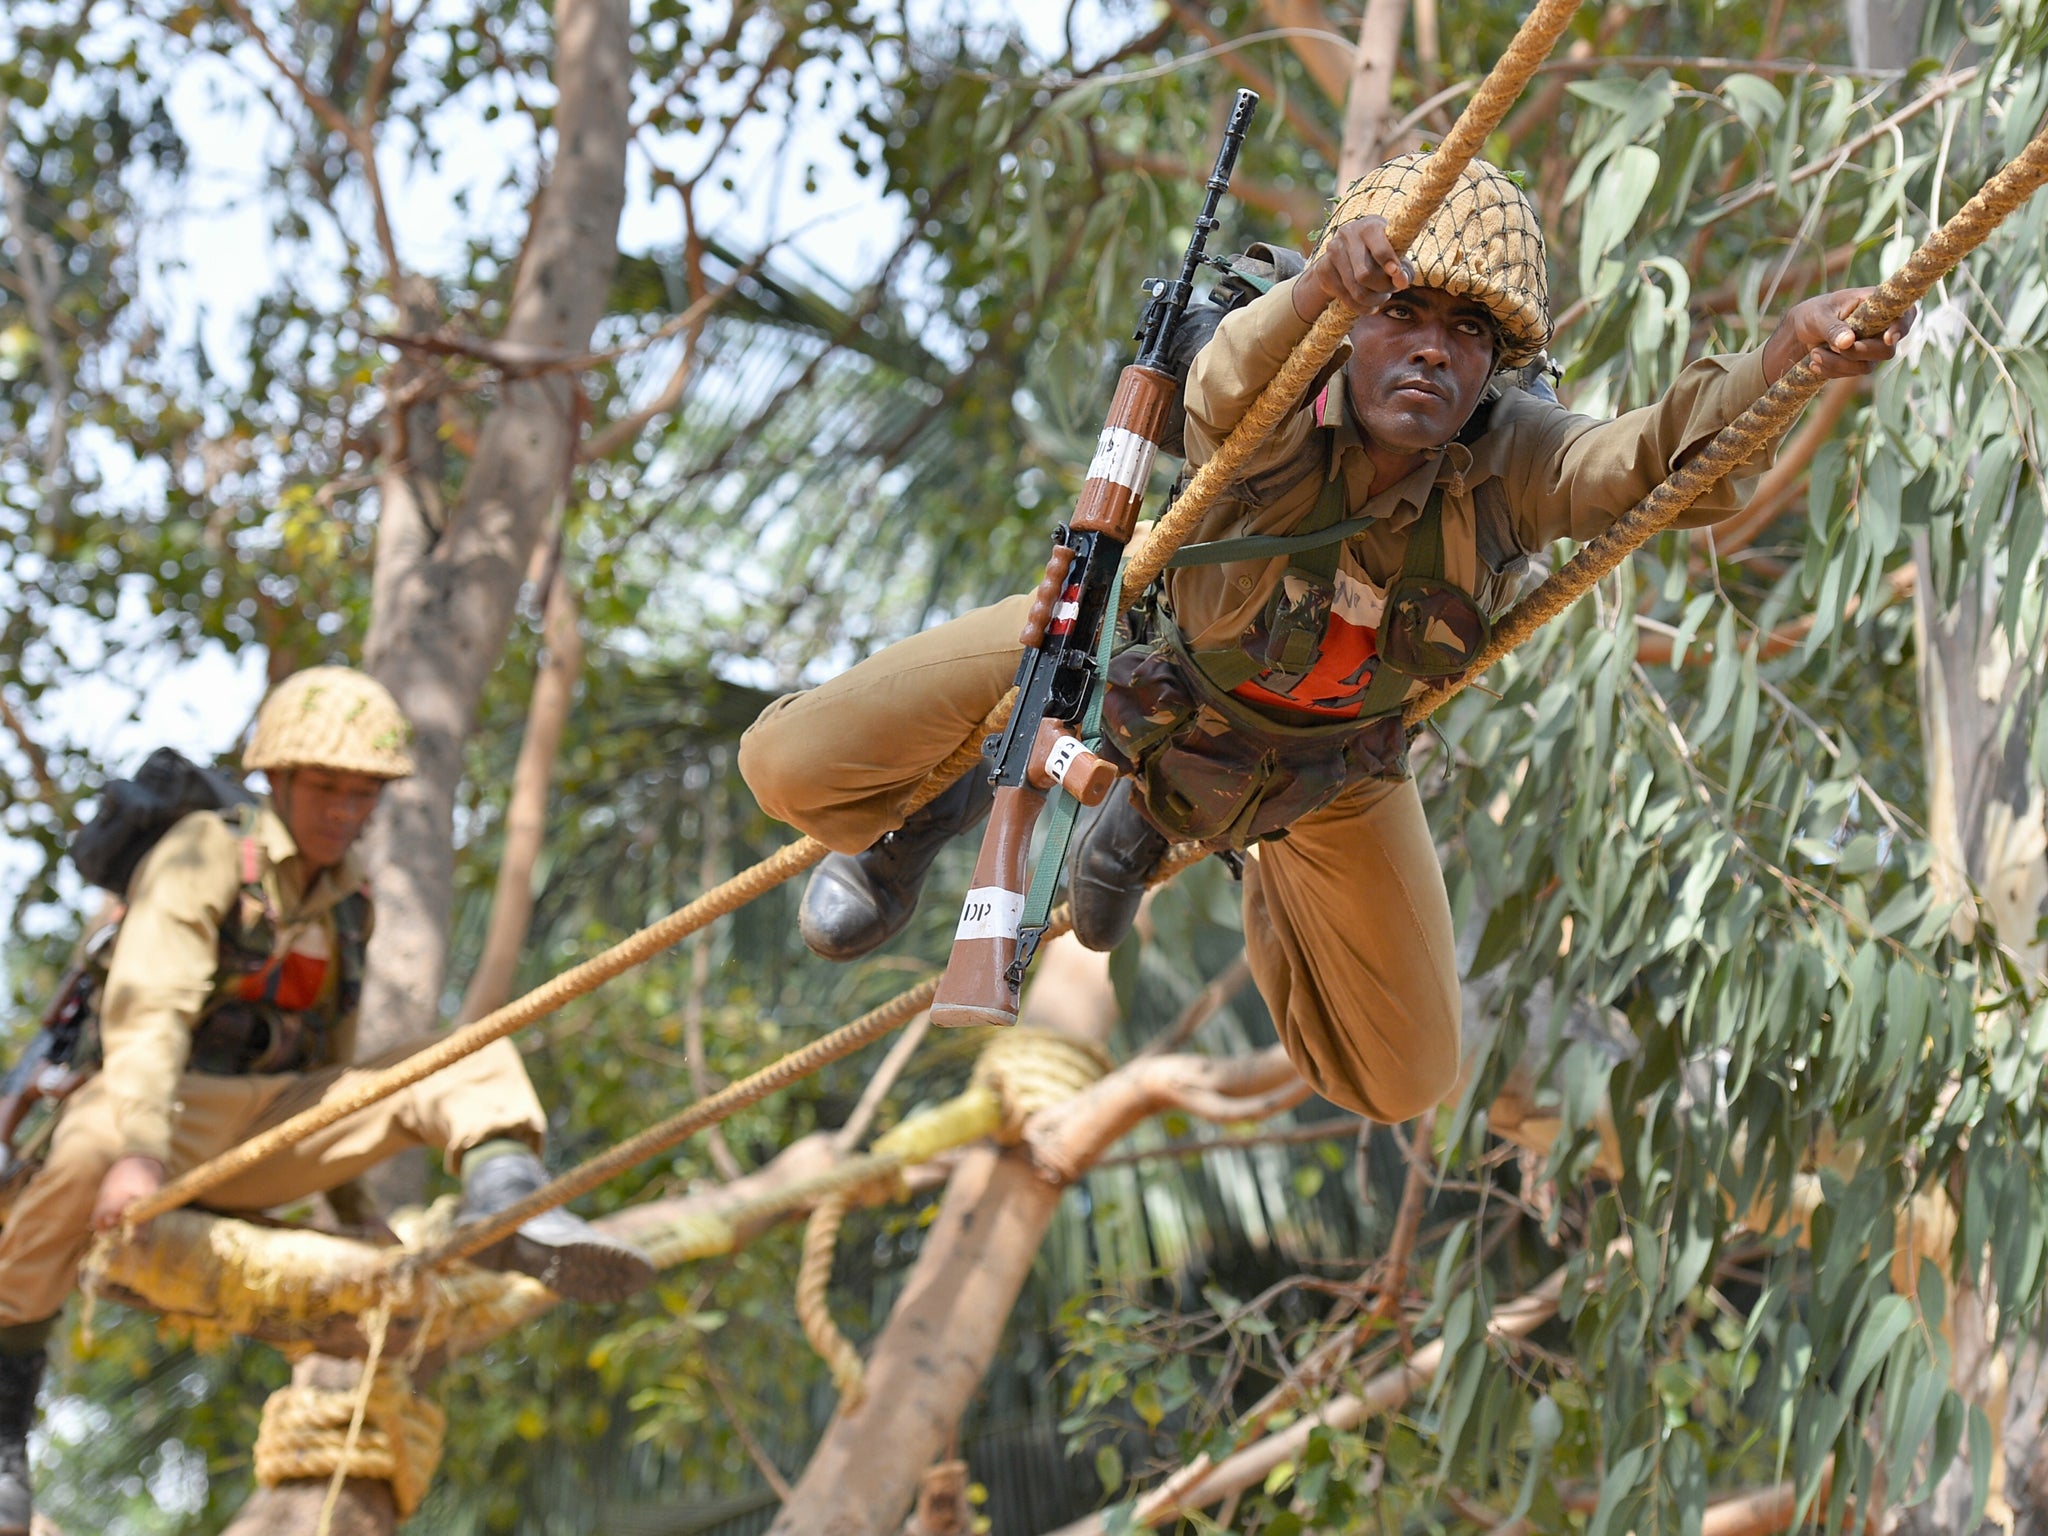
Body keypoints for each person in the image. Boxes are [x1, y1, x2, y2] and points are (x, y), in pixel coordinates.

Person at [737, 152, 1913, 1121]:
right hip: (1121, 673)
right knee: (783, 767)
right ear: (1351, 329)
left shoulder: (1511, 458)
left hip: (1313, 769)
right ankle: (951, 802)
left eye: (1468, 331)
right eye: (1402, 312)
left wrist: (1781, 362)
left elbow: (1647, 464)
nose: (1432, 350)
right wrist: (1312, 301)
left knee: (1402, 1079)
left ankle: (1167, 815)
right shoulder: (1281, 393)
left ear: (1497, 360)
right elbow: (1220, 404)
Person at [0, 666, 653, 1535]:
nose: (347, 810)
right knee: (86, 1153)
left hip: (261, 1126)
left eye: (365, 794)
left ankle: (509, 1202)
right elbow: (147, 1014)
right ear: (277, 780)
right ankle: (6, 1430)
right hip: (151, 1107)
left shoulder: (348, 905)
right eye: (328, 788)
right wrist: (140, 1156)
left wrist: (351, 1211)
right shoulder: (204, 852)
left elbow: (330, 1069)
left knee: (447, 1057)